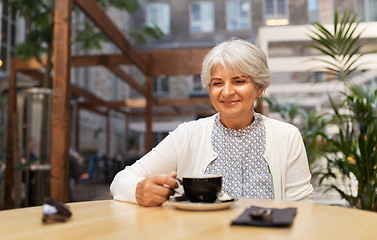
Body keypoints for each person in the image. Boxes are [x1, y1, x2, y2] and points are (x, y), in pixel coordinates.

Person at [110, 38, 313, 207]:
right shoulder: (188, 134)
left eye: (239, 81)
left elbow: (303, 208)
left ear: (259, 87)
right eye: (217, 83)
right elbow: (121, 181)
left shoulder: (287, 136)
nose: (226, 92)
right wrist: (138, 191)